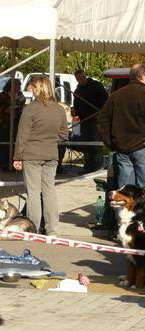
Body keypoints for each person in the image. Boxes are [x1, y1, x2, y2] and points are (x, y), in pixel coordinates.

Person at [12, 76, 68, 236]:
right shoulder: (59, 109)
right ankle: (52, 229)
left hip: (32, 155)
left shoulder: (30, 109)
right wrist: (49, 140)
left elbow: (22, 135)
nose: (31, 90)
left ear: (38, 88)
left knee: (33, 193)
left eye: (32, 87)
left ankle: (33, 229)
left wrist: (17, 157)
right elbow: (64, 135)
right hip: (51, 154)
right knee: (49, 191)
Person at [97, 64, 145, 189]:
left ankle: (127, 208)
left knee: (125, 193)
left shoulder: (116, 95)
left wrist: (110, 142)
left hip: (122, 148)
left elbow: (102, 119)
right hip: (143, 148)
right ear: (144, 76)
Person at [73, 69, 109, 172]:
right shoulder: (77, 91)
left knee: (95, 143)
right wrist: (75, 111)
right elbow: (76, 107)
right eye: (79, 79)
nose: (81, 80)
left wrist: (100, 113)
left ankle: (97, 165)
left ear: (85, 76)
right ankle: (88, 165)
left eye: (83, 77)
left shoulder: (96, 86)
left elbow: (105, 100)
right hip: (84, 121)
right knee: (86, 143)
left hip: (96, 119)